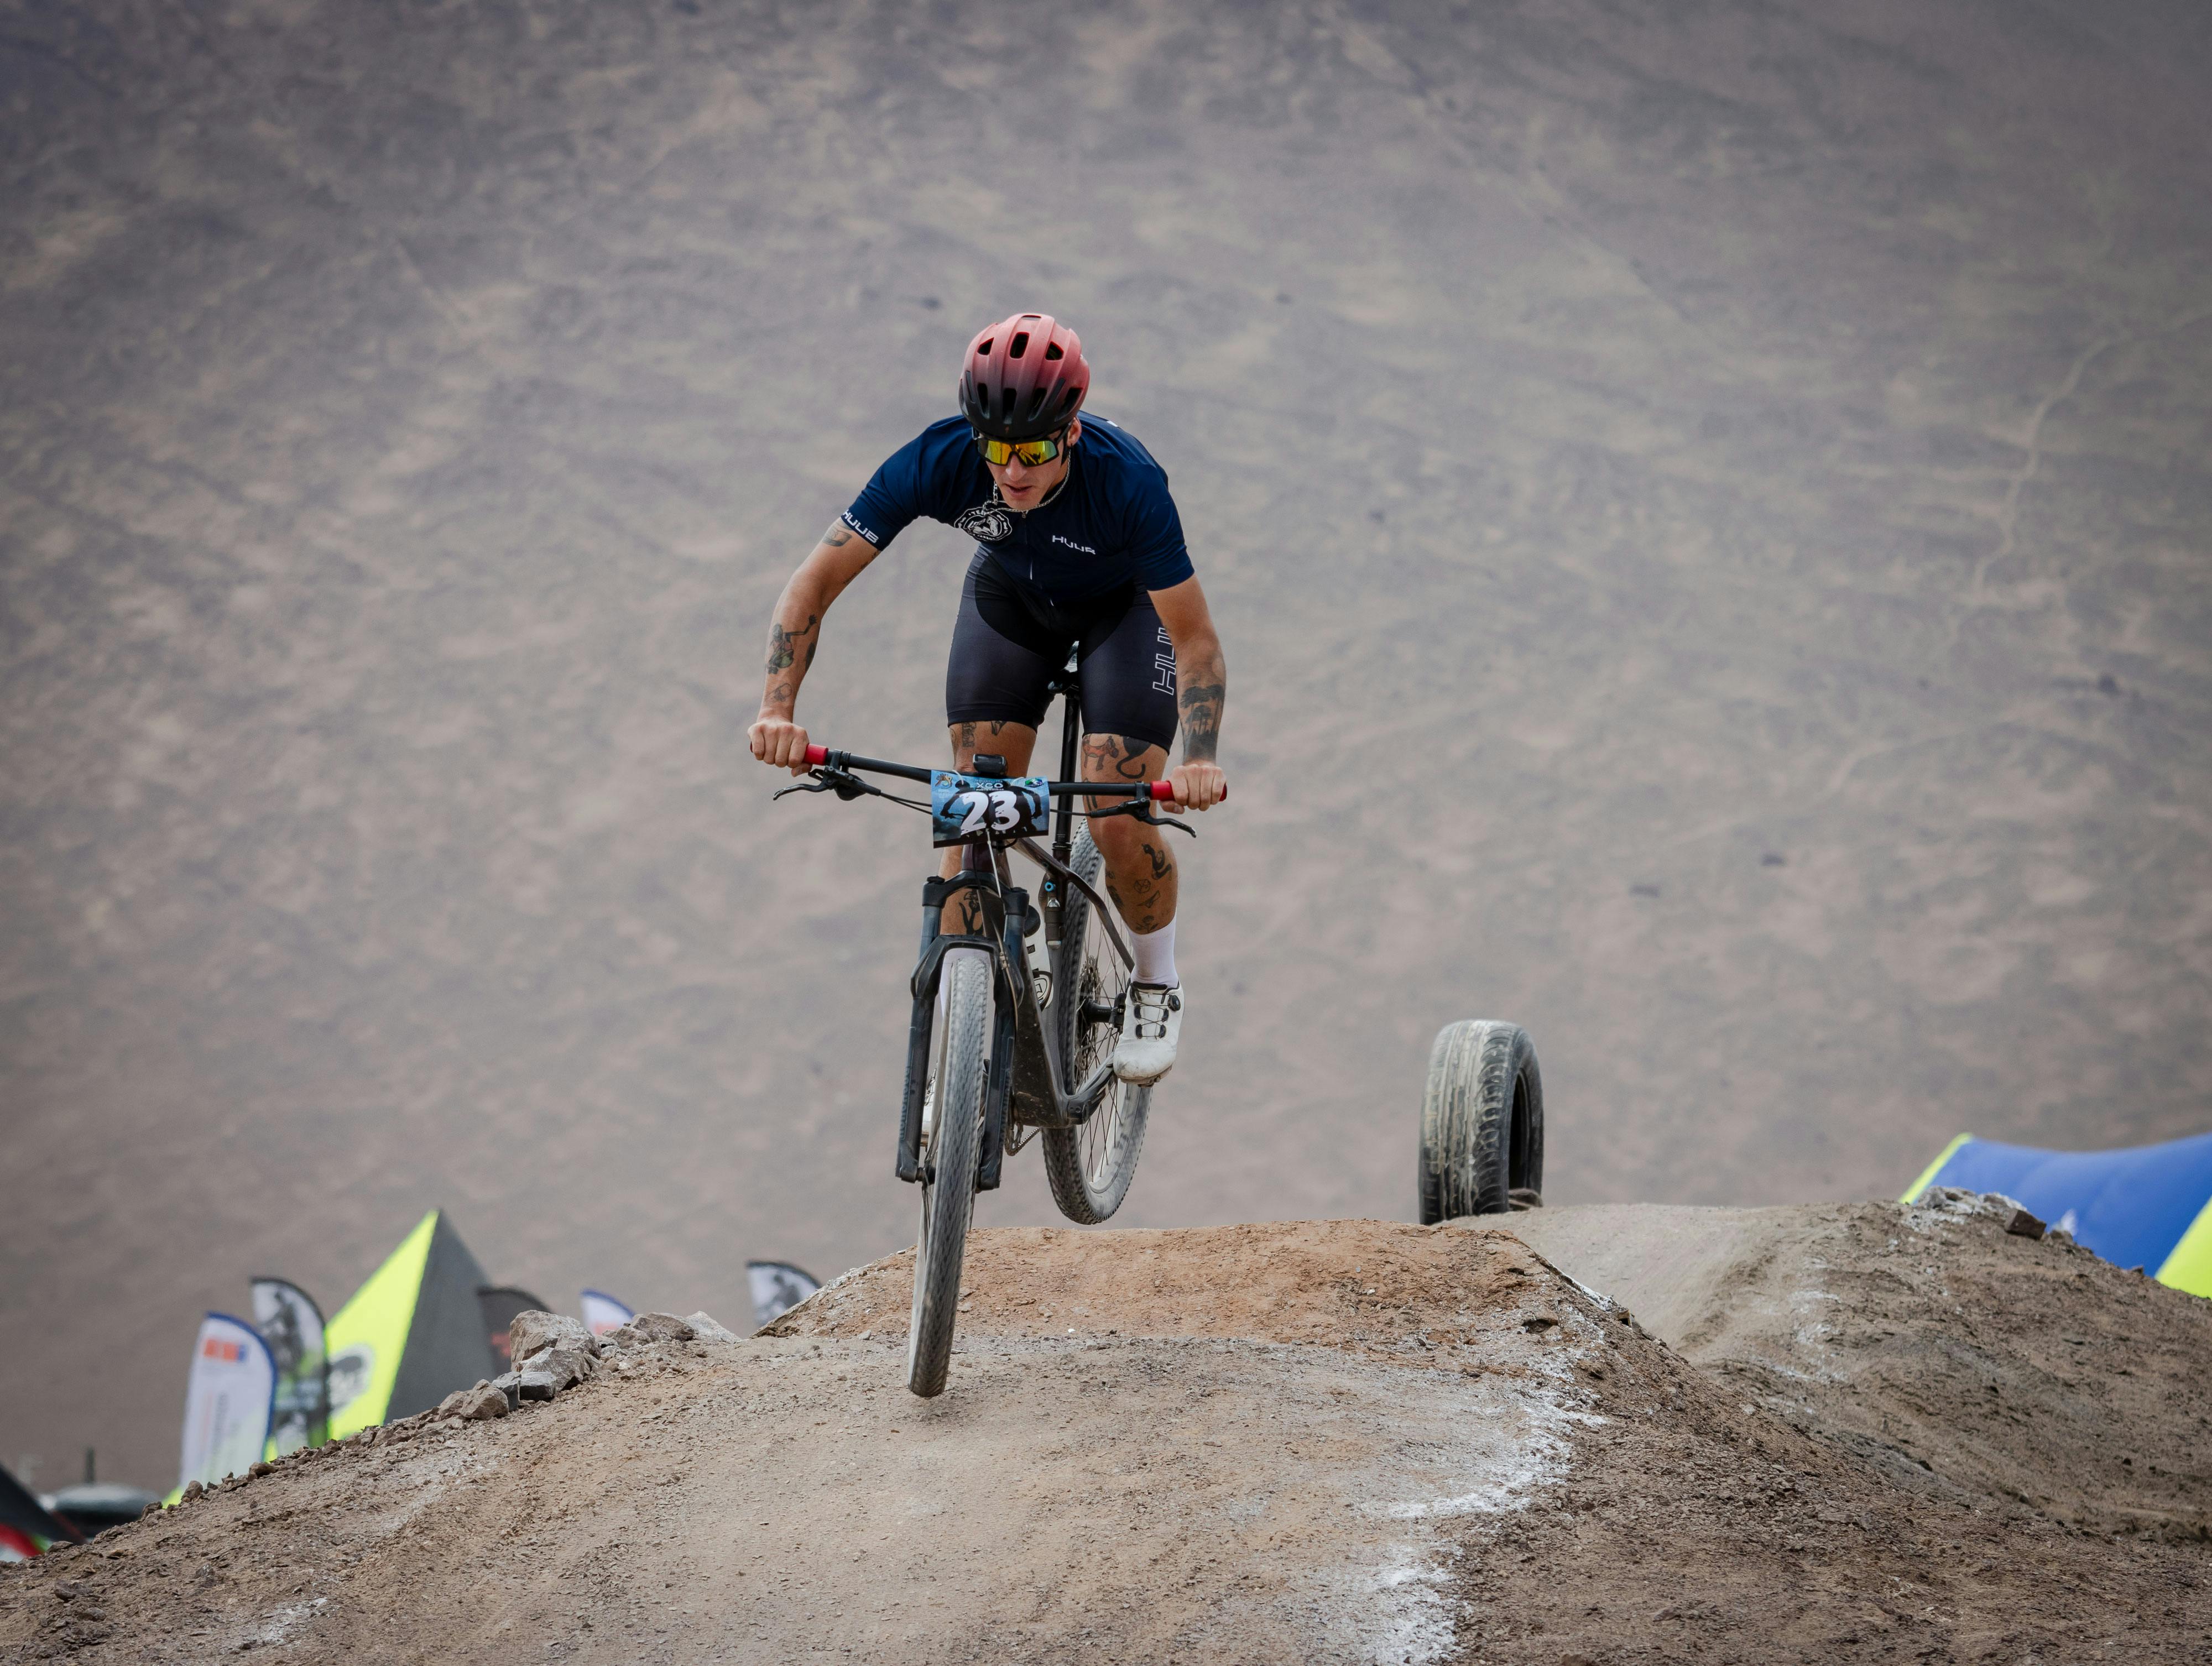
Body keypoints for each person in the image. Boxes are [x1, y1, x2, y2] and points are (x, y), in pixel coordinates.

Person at [749, 312, 1227, 1084]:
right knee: (973, 805)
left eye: (1033, 450)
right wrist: (777, 708)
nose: (1012, 470)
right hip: (1012, 601)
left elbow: (1197, 640)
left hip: (1124, 615)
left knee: (1114, 813)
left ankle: (1155, 981)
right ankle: (959, 1042)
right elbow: (815, 581)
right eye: (997, 448)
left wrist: (1200, 757)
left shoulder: (1129, 482)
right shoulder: (938, 458)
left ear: (1069, 432)